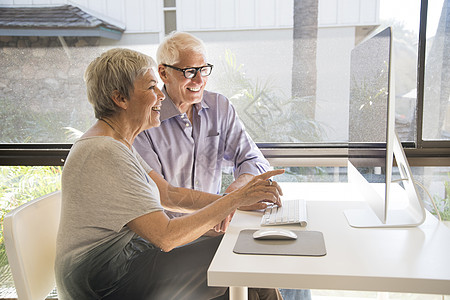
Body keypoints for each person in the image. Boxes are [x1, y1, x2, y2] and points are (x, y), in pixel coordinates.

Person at [55, 47, 284, 300]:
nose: (160, 96)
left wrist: (238, 204)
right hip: (104, 281)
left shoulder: (115, 142)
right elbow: (165, 236)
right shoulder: (104, 150)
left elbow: (167, 194)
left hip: (126, 259)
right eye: (151, 87)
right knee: (237, 257)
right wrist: (235, 200)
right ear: (120, 98)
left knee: (231, 250)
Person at [133, 32, 311, 300]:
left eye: (204, 70)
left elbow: (251, 159)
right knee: (260, 270)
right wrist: (227, 205)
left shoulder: (219, 107)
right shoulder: (147, 120)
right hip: (176, 238)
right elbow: (160, 195)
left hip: (221, 224)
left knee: (291, 266)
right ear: (164, 73)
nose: (200, 80)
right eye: (190, 71)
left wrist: (232, 197)